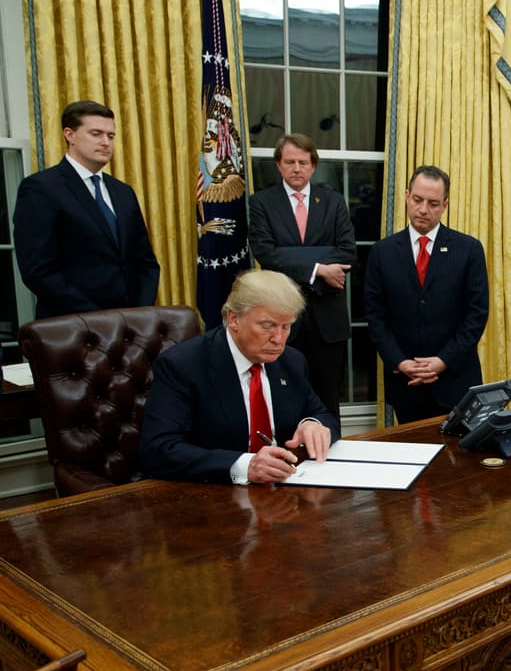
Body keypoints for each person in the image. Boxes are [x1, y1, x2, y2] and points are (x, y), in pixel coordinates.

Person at [140, 270, 337, 484]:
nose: (279, 339)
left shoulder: (291, 361)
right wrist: (244, 465)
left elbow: (323, 414)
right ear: (234, 319)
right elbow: (158, 450)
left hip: (284, 490)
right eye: (267, 326)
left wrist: (313, 424)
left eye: (286, 326)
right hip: (212, 495)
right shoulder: (183, 365)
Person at [364, 165, 489, 423]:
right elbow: (376, 317)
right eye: (418, 200)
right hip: (406, 384)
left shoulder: (468, 249)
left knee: (458, 461)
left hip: (455, 380)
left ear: (444, 205)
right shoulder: (382, 252)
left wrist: (443, 361)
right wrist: (400, 363)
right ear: (407, 196)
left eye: (433, 203)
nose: (423, 209)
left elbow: (476, 315)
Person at [13, 100, 160, 319]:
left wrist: (138, 313)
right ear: (70, 135)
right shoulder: (41, 188)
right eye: (96, 134)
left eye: (110, 136)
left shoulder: (122, 192)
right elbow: (38, 270)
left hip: (132, 325)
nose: (105, 142)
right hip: (73, 326)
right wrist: (97, 317)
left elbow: (146, 261)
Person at [248, 133, 356, 427]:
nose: (297, 168)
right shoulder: (261, 203)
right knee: (283, 399)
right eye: (290, 162)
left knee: (327, 400)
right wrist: (319, 269)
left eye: (303, 162)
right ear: (279, 166)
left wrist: (292, 263)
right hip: (281, 321)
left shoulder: (333, 202)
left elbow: (347, 251)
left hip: (327, 321)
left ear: (313, 166)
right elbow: (266, 253)